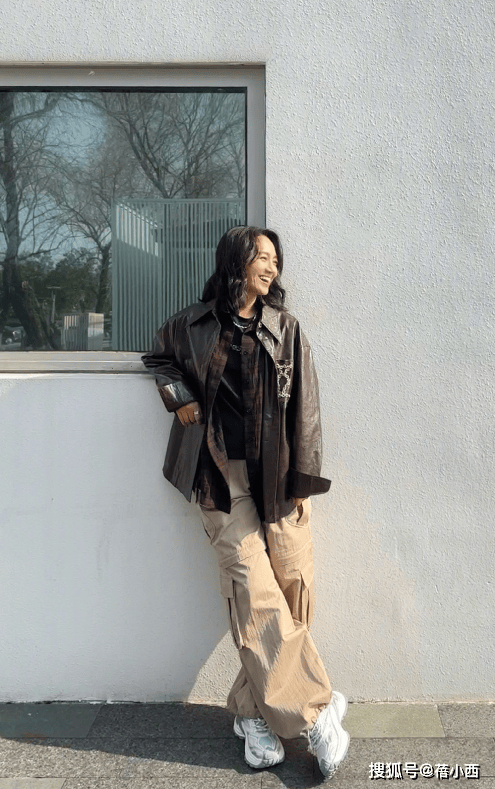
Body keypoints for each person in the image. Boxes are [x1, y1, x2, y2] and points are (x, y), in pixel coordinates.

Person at [141, 225, 349, 778]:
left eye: (276, 260)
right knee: (254, 591)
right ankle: (315, 713)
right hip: (219, 476)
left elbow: (306, 406)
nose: (272, 268)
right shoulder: (192, 324)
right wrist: (179, 397)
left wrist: (304, 480)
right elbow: (159, 357)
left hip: (278, 476)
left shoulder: (285, 326)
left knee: (293, 589)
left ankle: (252, 713)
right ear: (236, 261)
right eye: (263, 257)